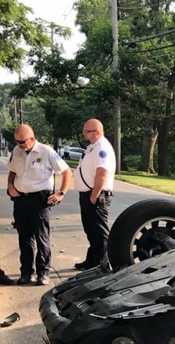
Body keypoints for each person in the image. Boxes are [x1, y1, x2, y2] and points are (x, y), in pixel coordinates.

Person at [6, 124, 72, 285]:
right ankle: (26, 273)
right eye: (17, 141)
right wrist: (10, 186)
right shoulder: (17, 151)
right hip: (21, 200)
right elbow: (12, 171)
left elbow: (66, 172)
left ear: (32, 138)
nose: (19, 145)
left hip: (40, 200)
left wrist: (61, 193)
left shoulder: (46, 151)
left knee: (41, 238)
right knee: (24, 238)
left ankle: (43, 273)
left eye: (22, 141)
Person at [74, 118, 116, 270]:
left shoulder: (102, 147)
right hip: (88, 194)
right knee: (90, 229)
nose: (84, 133)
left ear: (96, 131)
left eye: (86, 131)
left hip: (96, 194)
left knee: (99, 230)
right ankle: (93, 260)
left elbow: (102, 172)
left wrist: (94, 194)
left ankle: (104, 263)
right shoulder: (93, 147)